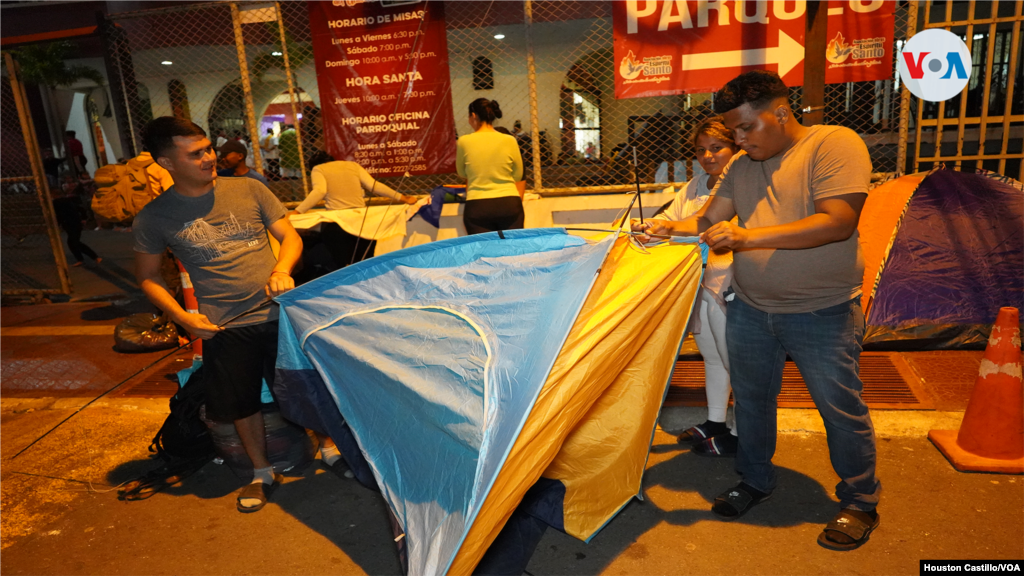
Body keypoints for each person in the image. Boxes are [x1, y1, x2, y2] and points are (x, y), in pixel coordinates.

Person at [634, 70, 880, 550]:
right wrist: (668, 228)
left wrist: (748, 237)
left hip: (822, 310)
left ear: (781, 111)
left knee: (840, 411)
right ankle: (755, 480)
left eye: (746, 128)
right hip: (750, 308)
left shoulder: (833, 145)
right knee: (750, 402)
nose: (739, 139)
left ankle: (860, 501)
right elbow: (707, 219)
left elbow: (838, 222)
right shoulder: (744, 164)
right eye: (735, 132)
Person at [132, 116, 303, 513]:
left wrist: (282, 269)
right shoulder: (154, 217)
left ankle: (330, 449)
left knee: (304, 387)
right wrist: (185, 319)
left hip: (280, 315)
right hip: (223, 327)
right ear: (167, 162)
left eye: (208, 148)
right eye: (196, 154)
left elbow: (289, 236)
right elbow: (149, 277)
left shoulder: (249, 188)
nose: (210, 157)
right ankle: (261, 473)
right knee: (240, 404)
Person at [654, 117, 738, 456]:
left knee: (735, 361)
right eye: (701, 150)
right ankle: (716, 422)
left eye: (717, 148)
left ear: (735, 148)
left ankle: (740, 434)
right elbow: (673, 220)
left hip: (728, 284)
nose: (708, 156)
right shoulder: (694, 185)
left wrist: (672, 228)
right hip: (699, 284)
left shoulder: (741, 184)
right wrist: (655, 225)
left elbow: (707, 227)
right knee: (712, 356)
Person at [290, 160, 416, 269]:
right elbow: (373, 185)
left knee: (342, 264)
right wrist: (403, 198)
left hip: (337, 222)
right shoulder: (352, 165)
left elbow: (320, 191)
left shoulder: (318, 169)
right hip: (361, 220)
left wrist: (297, 211)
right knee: (365, 262)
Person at [456, 98, 525, 235]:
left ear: (474, 116)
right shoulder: (509, 140)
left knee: (483, 252)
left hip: (478, 205)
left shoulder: (464, 141)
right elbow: (518, 175)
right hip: (509, 203)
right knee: (512, 252)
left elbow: (462, 173)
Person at [52, 174, 100, 266]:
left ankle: (92, 257)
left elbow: (59, 215)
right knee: (73, 242)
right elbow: (79, 209)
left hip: (71, 223)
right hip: (74, 223)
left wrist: (57, 224)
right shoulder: (67, 200)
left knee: (74, 242)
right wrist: (83, 218)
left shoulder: (58, 202)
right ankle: (85, 258)